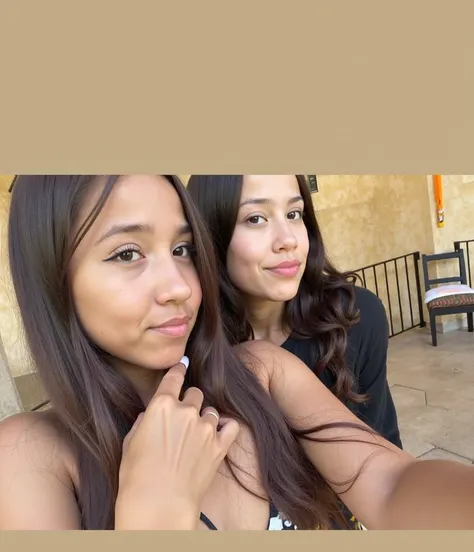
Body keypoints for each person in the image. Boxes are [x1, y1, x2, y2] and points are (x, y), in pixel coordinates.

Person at [1, 174, 474, 532]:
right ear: (53, 281)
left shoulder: (261, 369)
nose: (179, 287)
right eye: (127, 253)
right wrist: (155, 515)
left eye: (183, 249)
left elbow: (388, 484)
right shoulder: (30, 458)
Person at [186, 175, 401, 449]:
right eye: (256, 218)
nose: (288, 239)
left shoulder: (356, 316)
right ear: (210, 232)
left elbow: (385, 448)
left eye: (293, 214)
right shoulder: (187, 347)